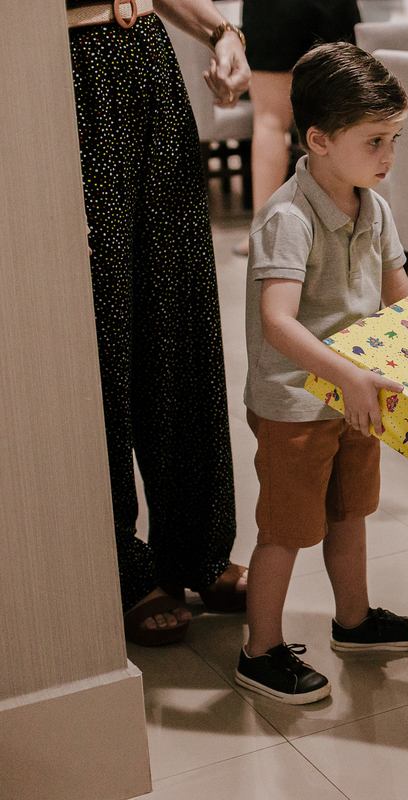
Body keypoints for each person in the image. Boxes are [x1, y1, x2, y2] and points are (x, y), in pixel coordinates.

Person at [236, 43, 408, 704]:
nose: (389, 156)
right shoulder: (288, 218)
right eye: (375, 141)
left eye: (394, 139)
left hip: (356, 395)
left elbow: (402, 295)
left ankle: (355, 622)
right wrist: (346, 376)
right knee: (286, 531)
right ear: (319, 140)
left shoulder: (373, 207)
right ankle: (260, 650)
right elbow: (277, 322)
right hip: (297, 404)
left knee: (350, 512)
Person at [67, 0, 251, 647]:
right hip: (64, 73)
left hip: (147, 57)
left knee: (181, 311)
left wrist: (221, 31)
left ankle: (198, 547)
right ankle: (120, 567)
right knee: (102, 330)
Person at [234, 0, 362, 257]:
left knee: (270, 122)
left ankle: (264, 232)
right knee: (340, 120)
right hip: (332, 6)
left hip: (272, 9)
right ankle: (341, 229)